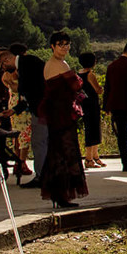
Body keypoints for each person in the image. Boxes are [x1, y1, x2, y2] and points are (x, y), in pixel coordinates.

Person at [37, 32, 89, 208]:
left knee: (59, 152)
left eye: (67, 44)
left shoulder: (54, 63)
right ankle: (60, 193)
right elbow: (75, 85)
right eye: (61, 44)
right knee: (64, 153)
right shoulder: (59, 64)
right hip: (61, 114)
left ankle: (60, 194)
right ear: (52, 46)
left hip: (59, 113)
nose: (65, 47)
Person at [14, 42, 47, 188]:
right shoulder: (36, 62)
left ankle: (41, 175)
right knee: (37, 142)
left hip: (39, 110)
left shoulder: (26, 66)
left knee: (38, 142)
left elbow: (27, 90)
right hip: (39, 109)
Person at [104, 42, 127, 169]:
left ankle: (125, 162)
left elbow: (107, 87)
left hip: (116, 105)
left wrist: (106, 106)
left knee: (122, 136)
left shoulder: (111, 66)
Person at [77, 51, 105, 169]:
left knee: (91, 129)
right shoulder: (90, 74)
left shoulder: (79, 73)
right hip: (92, 104)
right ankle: (89, 158)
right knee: (93, 130)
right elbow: (97, 89)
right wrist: (102, 89)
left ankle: (95, 155)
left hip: (84, 104)